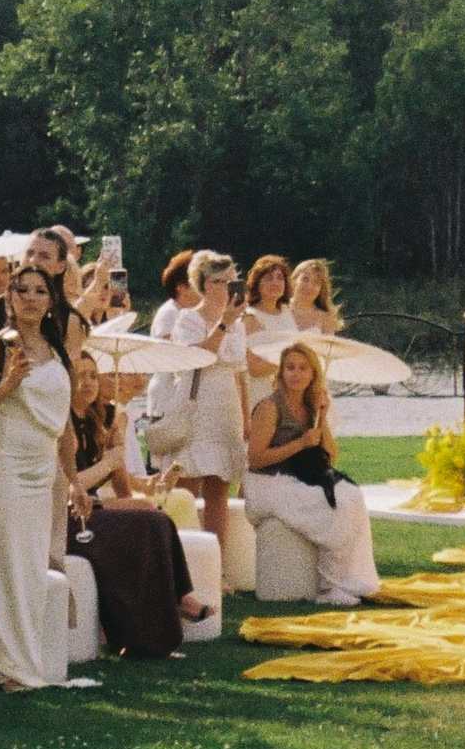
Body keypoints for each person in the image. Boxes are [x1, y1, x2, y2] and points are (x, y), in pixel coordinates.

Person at [0, 263, 80, 689]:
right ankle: (2, 664)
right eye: (22, 290)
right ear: (10, 298)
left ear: (51, 301)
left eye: (39, 291)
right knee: (2, 564)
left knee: (31, 567)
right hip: (3, 465)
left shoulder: (57, 350)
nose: (31, 298)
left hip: (42, 470)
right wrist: (6, 387)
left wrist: (74, 481)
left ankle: (23, 660)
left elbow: (66, 427)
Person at [65, 351, 213, 655]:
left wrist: (123, 467)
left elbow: (121, 486)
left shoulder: (102, 419)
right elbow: (69, 489)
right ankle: (172, 604)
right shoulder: (62, 423)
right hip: (70, 514)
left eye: (93, 375)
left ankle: (173, 604)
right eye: (80, 376)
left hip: (94, 508)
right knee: (149, 517)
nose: (88, 383)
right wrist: (109, 462)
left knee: (153, 516)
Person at [242, 341, 380, 604]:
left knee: (352, 495)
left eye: (303, 368)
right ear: (281, 372)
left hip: (299, 480)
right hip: (268, 484)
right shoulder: (270, 407)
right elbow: (255, 459)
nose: (296, 374)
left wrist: (322, 416)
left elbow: (330, 456)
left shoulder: (310, 407)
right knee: (336, 506)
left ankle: (353, 580)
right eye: (290, 367)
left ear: (313, 374)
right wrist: (300, 443)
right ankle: (329, 586)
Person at [156, 252, 254, 541]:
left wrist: (246, 418)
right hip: (197, 409)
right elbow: (199, 358)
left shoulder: (238, 324)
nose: (232, 287)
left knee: (218, 492)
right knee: (186, 488)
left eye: (234, 281)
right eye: (225, 282)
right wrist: (223, 323)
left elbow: (241, 371)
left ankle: (216, 561)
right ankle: (183, 556)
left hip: (226, 410)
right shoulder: (188, 319)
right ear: (208, 285)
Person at [243, 254, 299, 378]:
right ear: (257, 284)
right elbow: (254, 368)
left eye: (280, 278)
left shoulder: (286, 311)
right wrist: (290, 362)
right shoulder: (250, 317)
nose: (275, 283)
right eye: (269, 278)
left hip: (288, 383)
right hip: (262, 385)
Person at [148, 250, 197, 342]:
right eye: (198, 283)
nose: (206, 287)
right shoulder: (169, 314)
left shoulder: (198, 312)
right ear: (182, 288)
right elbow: (168, 349)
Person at [289, 259, 345, 335]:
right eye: (305, 279)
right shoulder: (279, 307)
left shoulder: (326, 316)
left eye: (316, 282)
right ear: (294, 280)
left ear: (321, 289)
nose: (309, 286)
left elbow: (328, 342)